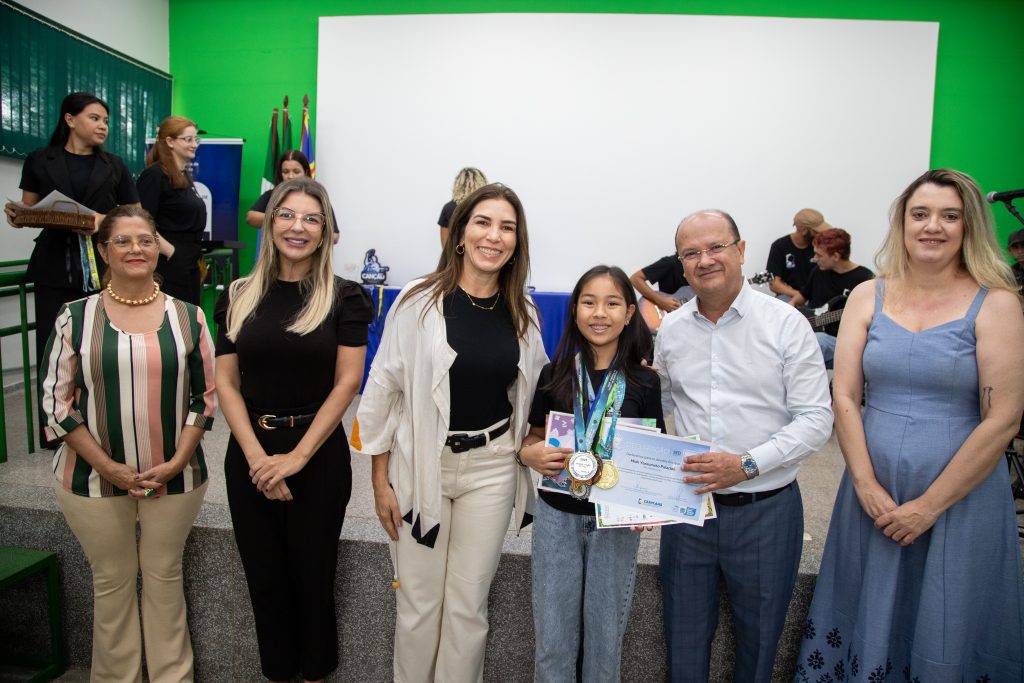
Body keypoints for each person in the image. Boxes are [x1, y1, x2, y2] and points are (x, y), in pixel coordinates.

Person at [795, 169, 1024, 682]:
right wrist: (864, 484)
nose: (932, 226)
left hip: (959, 499)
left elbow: (1003, 418)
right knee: (867, 607)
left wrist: (928, 506)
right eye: (920, 214)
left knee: (946, 613)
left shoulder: (997, 303)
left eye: (949, 216)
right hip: (872, 496)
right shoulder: (868, 295)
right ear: (902, 222)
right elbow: (845, 395)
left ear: (969, 226)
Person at [356, 183, 548, 682]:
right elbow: (383, 390)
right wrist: (380, 482)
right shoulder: (417, 302)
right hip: (421, 467)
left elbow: (540, 391)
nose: (494, 236)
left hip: (491, 470)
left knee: (468, 608)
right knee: (418, 606)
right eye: (483, 222)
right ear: (460, 233)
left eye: (507, 227)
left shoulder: (523, 312)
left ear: (517, 242)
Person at [654, 209, 833, 683]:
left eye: (716, 247)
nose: (705, 260)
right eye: (691, 253)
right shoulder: (671, 329)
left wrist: (747, 465)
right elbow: (661, 405)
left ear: (741, 250)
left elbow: (816, 419)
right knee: (683, 641)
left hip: (766, 511)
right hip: (689, 511)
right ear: (681, 263)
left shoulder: (786, 324)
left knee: (759, 645)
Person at [39, 205, 216, 682]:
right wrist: (109, 467)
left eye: (145, 240)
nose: (135, 248)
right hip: (89, 479)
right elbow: (56, 403)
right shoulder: (75, 317)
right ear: (103, 251)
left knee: (164, 578)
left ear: (157, 248)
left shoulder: (190, 317)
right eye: (122, 240)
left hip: (177, 477)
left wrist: (177, 461)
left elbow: (205, 398)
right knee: (111, 584)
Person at [214, 178, 372, 683]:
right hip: (250, 453)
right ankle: (278, 674)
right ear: (270, 222)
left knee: (313, 577)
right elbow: (226, 383)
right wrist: (259, 459)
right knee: (264, 580)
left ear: (325, 230)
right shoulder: (237, 295)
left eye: (310, 218)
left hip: (317, 456)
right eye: (286, 215)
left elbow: (347, 383)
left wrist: (297, 458)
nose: (297, 227)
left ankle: (316, 673)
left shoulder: (345, 298)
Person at [520, 264, 664, 682]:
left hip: (615, 524)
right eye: (589, 302)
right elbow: (532, 438)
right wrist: (529, 455)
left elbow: (653, 457)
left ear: (629, 313)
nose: (599, 313)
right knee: (553, 640)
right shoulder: (554, 375)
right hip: (556, 518)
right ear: (575, 310)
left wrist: (649, 503)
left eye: (612, 303)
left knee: (605, 642)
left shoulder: (645, 382)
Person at [4, 92, 139, 448]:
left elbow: (136, 215)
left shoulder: (114, 164)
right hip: (53, 266)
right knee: (53, 351)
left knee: (101, 348)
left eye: (106, 121)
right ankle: (55, 429)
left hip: (103, 266)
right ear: (69, 119)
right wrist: (18, 215)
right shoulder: (40, 159)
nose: (103, 126)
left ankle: (105, 426)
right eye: (95, 118)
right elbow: (29, 209)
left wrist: (102, 220)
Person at [137, 115, 207, 305]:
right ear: (169, 142)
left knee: (189, 317)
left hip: (189, 262)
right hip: (168, 265)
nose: (194, 144)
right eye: (188, 139)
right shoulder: (154, 175)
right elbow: (142, 223)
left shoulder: (183, 176)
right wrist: (171, 252)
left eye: (196, 139)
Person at [787, 228, 874, 368]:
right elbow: (803, 295)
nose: (815, 259)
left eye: (819, 255)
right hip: (813, 330)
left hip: (842, 340)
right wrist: (791, 304)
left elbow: (872, 314)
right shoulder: (819, 271)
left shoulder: (865, 278)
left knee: (817, 341)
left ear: (835, 256)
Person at [245, 150, 339, 244]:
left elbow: (334, 236)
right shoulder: (272, 195)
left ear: (306, 172)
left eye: (296, 171)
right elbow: (251, 217)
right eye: (285, 172)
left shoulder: (317, 198)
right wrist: (282, 218)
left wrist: (311, 227)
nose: (290, 176)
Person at [766, 208, 829, 299]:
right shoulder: (780, 246)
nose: (820, 233)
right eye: (816, 231)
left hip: (817, 295)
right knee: (783, 301)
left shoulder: (820, 246)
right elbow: (774, 284)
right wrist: (801, 295)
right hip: (790, 295)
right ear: (804, 230)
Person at [437, 166, 488, 247]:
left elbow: (445, 244)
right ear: (482, 183)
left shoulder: (448, 208)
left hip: (456, 253)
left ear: (458, 185)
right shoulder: (487, 207)